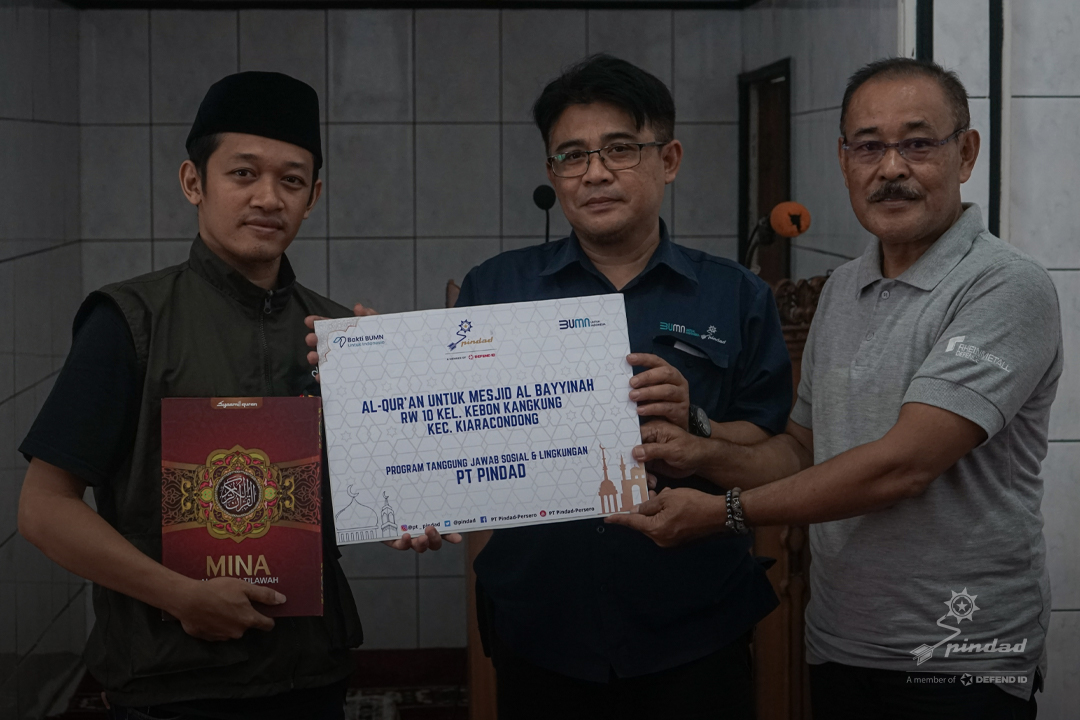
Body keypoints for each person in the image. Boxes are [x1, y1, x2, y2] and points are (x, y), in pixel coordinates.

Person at [609, 58, 1060, 720]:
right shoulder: (846, 287)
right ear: (844, 159)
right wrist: (698, 442)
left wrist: (724, 512)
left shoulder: (1004, 286)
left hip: (960, 652)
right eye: (869, 147)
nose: (891, 168)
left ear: (965, 153)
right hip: (843, 638)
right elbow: (801, 449)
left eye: (918, 143)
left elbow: (904, 466)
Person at [17, 71, 456, 720]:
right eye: (243, 173)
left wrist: (405, 504)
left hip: (310, 673)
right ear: (194, 182)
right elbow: (44, 508)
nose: (268, 197)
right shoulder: (130, 322)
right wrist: (179, 595)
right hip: (172, 679)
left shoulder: (339, 335)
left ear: (313, 196)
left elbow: (360, 498)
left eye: (292, 180)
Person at [451, 54, 792, 719]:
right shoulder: (495, 288)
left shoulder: (735, 295)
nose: (596, 172)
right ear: (552, 173)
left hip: (695, 626)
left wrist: (696, 427)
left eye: (620, 149)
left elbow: (776, 450)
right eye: (572, 156)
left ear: (669, 159)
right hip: (539, 625)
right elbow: (454, 434)